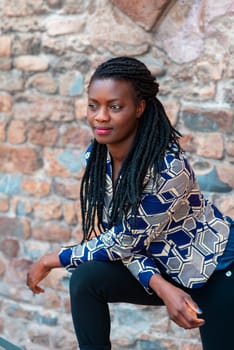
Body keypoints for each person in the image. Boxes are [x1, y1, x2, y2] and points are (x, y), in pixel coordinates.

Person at [26, 56, 234, 350]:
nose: (100, 116)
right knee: (86, 279)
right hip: (161, 267)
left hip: (215, 267)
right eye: (93, 105)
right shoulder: (98, 158)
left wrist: (51, 259)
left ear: (139, 107)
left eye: (114, 107)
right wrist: (161, 287)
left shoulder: (168, 167)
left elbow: (123, 240)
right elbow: (123, 239)